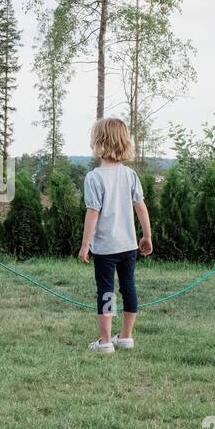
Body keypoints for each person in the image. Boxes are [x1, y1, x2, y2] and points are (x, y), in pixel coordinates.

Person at [78, 118, 154, 354]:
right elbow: (140, 207)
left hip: (106, 249)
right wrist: (147, 235)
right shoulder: (130, 175)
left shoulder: (95, 177)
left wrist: (85, 245)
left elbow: (93, 213)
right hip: (128, 246)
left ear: (99, 143)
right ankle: (127, 337)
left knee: (107, 291)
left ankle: (105, 341)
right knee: (129, 287)